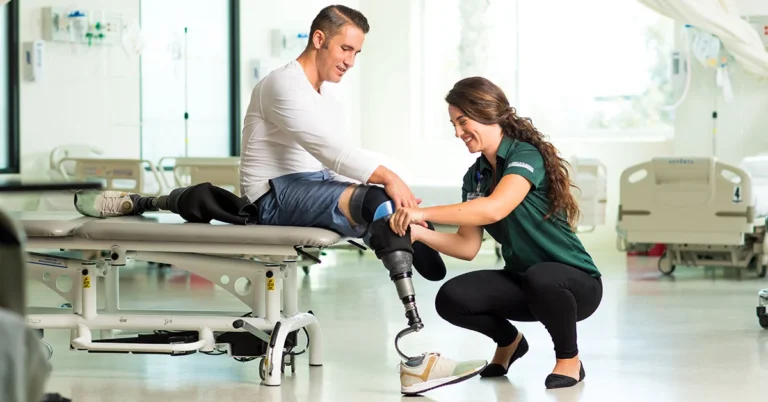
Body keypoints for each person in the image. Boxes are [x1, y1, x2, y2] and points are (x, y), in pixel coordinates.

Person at [72, 5, 487, 396]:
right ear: (319, 38)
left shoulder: (329, 100)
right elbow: (330, 152)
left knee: (383, 209)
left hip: (313, 185)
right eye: (346, 48)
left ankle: (406, 240)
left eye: (357, 53)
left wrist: (393, 194)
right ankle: (416, 339)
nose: (350, 61)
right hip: (274, 195)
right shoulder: (281, 84)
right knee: (378, 199)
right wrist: (388, 180)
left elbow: (336, 166)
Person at [388, 76, 603, 390]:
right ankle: (509, 343)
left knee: (541, 276)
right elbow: (467, 245)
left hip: (575, 284)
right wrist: (419, 234)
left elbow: (494, 208)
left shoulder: (525, 155)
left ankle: (569, 360)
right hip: (526, 280)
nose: (459, 133)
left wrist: (423, 211)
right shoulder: (475, 175)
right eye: (453, 125)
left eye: (463, 122)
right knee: (452, 298)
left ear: (489, 113)